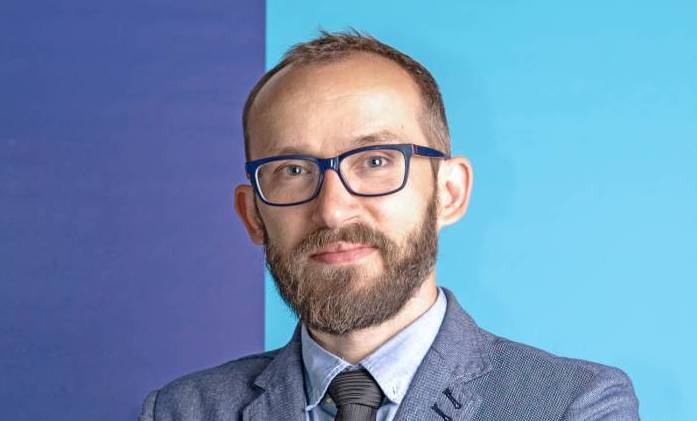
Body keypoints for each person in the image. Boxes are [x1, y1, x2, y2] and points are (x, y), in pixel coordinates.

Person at [139, 30, 640, 421]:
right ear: (252, 215)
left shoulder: (572, 405)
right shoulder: (183, 411)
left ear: (449, 192)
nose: (333, 211)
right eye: (292, 171)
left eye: (375, 161)